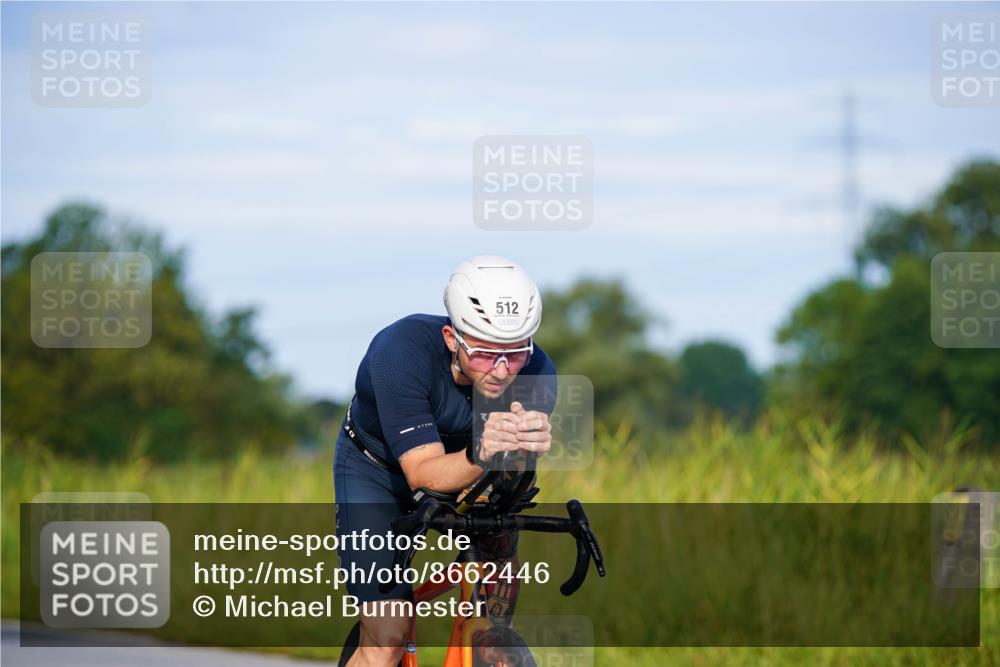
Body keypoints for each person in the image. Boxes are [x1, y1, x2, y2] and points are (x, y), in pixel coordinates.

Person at [334, 255, 556, 667]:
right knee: (387, 637)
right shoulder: (399, 353)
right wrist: (482, 451)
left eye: (515, 353)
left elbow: (506, 478)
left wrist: (525, 455)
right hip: (376, 473)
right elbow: (423, 473)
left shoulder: (537, 371)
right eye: (485, 354)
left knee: (496, 591)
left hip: (469, 471)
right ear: (452, 339)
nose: (502, 370)